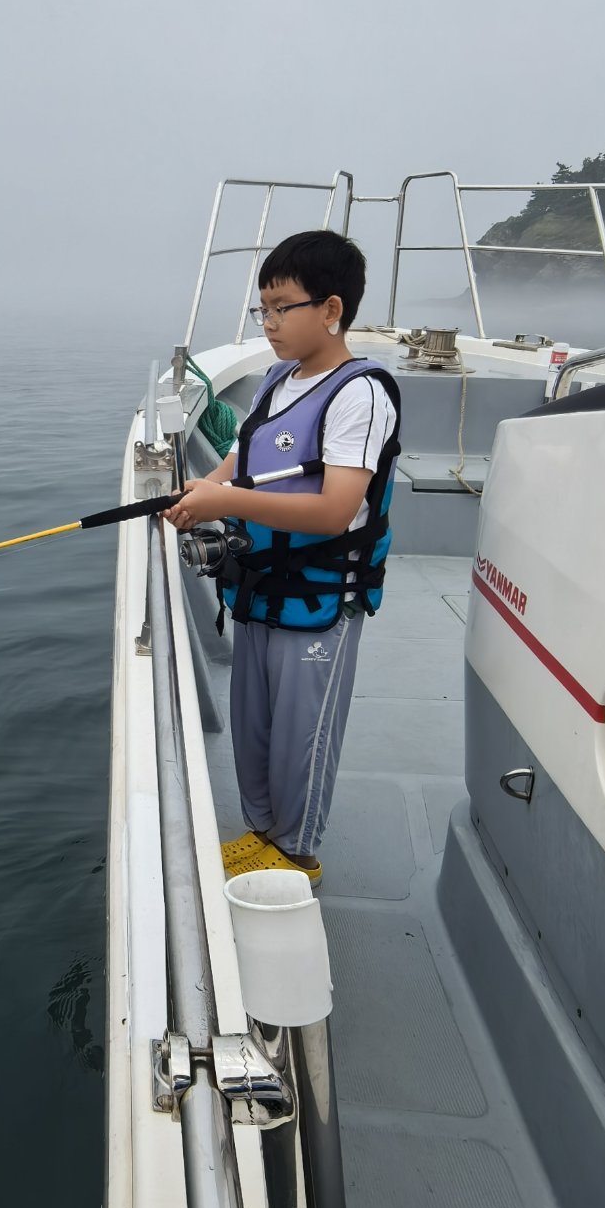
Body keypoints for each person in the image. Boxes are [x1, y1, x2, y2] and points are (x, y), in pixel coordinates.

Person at [165, 229, 401, 883]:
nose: (267, 323)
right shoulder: (274, 380)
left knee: (304, 733)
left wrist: (226, 503)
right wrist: (203, 493)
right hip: (260, 588)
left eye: (281, 307)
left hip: (321, 599)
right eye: (261, 309)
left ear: (330, 310)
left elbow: (332, 509)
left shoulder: (361, 394)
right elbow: (242, 464)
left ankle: (298, 855)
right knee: (255, 724)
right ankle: (263, 832)